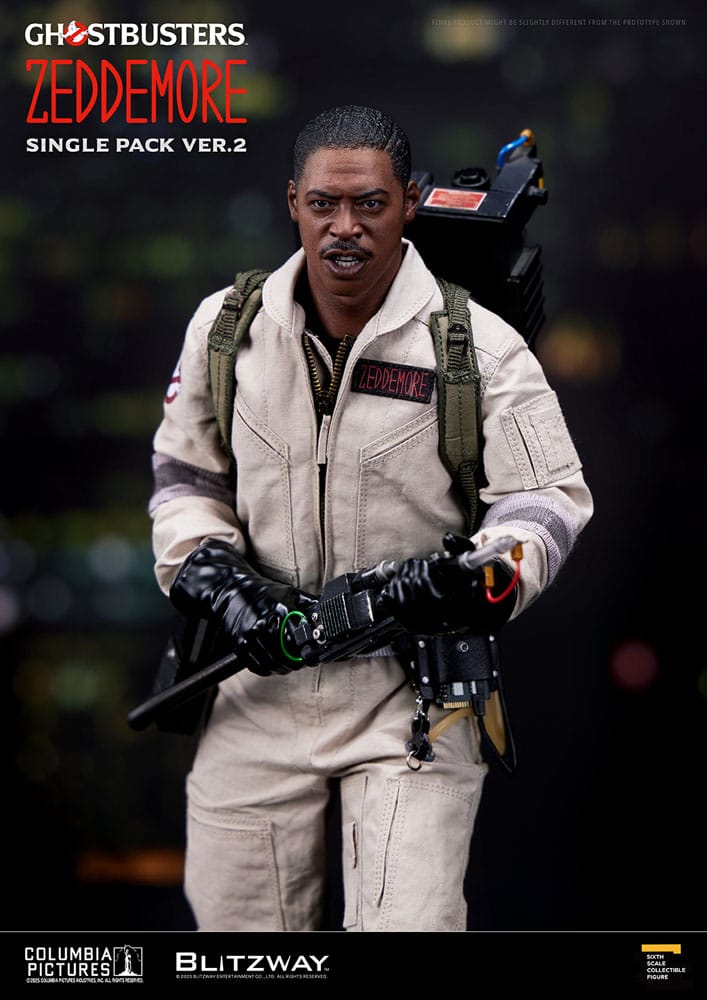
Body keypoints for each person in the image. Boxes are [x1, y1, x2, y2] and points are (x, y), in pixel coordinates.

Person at [147, 105, 593, 932]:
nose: (344, 226)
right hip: (254, 685)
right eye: (323, 203)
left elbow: (546, 498)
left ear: (409, 203)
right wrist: (222, 585)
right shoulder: (226, 329)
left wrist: (481, 578)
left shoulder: (477, 347)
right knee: (240, 941)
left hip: (408, 693)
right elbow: (184, 478)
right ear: (293, 201)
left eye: (370, 204)